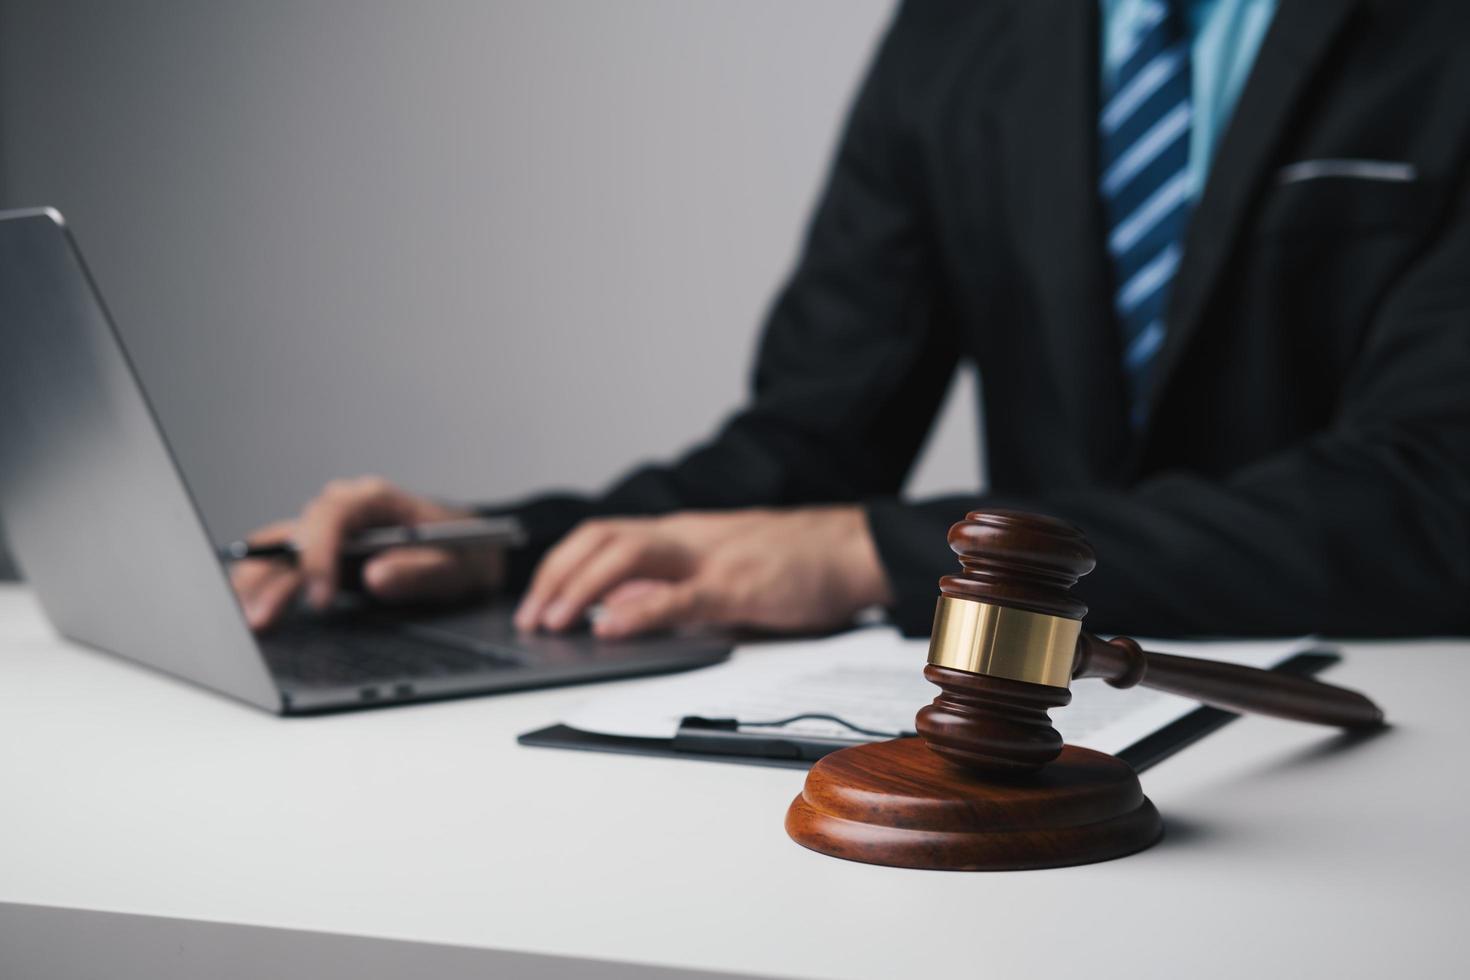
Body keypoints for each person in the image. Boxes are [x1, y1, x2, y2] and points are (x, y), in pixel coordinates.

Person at [234, 0, 1470, 641]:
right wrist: (507, 545)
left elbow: (1431, 501)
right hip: (1042, 731)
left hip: (1393, 735)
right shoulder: (958, 36)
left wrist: (880, 556)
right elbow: (808, 448)